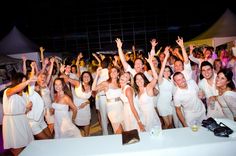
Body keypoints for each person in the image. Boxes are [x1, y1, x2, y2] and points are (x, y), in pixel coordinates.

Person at [2, 73, 36, 156]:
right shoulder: (8, 91)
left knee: (27, 144)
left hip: (22, 120)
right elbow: (16, 89)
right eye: (23, 82)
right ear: (17, 82)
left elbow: (25, 111)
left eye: (25, 82)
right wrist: (28, 81)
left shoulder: (24, 95)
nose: (24, 85)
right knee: (15, 146)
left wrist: (28, 107)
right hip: (12, 122)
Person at [133, 53, 161, 132]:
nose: (139, 81)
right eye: (137, 79)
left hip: (151, 119)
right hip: (142, 119)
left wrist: (150, 63)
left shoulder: (148, 87)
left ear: (144, 79)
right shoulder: (137, 92)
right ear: (135, 82)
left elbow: (155, 78)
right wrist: (139, 122)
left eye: (141, 79)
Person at [92, 66, 124, 134]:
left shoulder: (120, 83)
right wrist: (97, 75)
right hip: (112, 109)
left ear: (118, 73)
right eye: (111, 72)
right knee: (118, 131)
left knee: (123, 129)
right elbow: (93, 88)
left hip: (121, 107)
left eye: (115, 71)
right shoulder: (106, 83)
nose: (112, 73)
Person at [62, 71, 93, 136]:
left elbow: (91, 99)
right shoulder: (78, 83)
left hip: (86, 108)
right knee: (75, 125)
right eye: (84, 76)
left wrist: (86, 102)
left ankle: (87, 137)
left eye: (88, 76)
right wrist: (62, 71)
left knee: (86, 123)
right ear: (82, 77)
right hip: (77, 108)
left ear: (90, 77)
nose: (86, 78)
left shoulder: (92, 86)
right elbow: (67, 78)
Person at [156, 47, 174, 129]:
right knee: (167, 124)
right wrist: (166, 57)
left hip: (169, 104)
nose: (166, 72)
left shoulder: (171, 81)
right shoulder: (161, 80)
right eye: (165, 71)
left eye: (168, 71)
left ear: (170, 73)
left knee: (170, 124)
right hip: (162, 104)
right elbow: (163, 66)